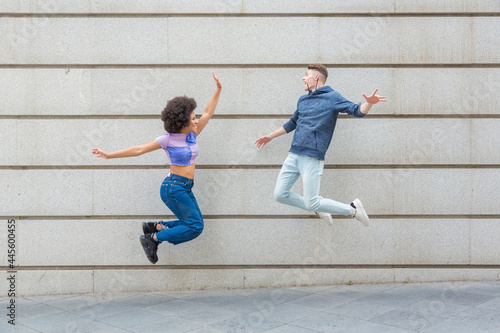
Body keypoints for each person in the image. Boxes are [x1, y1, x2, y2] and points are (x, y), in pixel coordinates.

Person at [92, 72, 222, 264]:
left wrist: (218, 89)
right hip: (173, 188)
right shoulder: (167, 139)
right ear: (182, 122)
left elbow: (209, 112)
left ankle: (157, 227)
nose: (196, 121)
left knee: (194, 225)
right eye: (193, 119)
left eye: (196, 118)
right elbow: (139, 149)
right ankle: (152, 237)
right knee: (195, 226)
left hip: (185, 187)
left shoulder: (192, 135)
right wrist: (109, 155)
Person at [255, 64, 386, 226]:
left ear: (316, 77)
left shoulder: (332, 97)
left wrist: (369, 104)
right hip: (293, 155)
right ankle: (318, 206)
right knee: (280, 194)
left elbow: (356, 110)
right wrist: (271, 136)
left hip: (312, 157)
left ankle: (352, 210)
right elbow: (292, 123)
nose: (303, 78)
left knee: (312, 202)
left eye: (306, 75)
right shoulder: (303, 100)